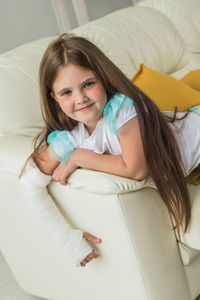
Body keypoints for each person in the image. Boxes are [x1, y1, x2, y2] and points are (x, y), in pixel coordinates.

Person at [19, 33, 200, 268]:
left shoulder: (123, 110)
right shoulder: (68, 139)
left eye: (88, 84)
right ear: (53, 97)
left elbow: (135, 169)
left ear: (103, 79)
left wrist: (79, 157)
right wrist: (67, 238)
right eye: (66, 92)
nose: (80, 98)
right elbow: (28, 184)